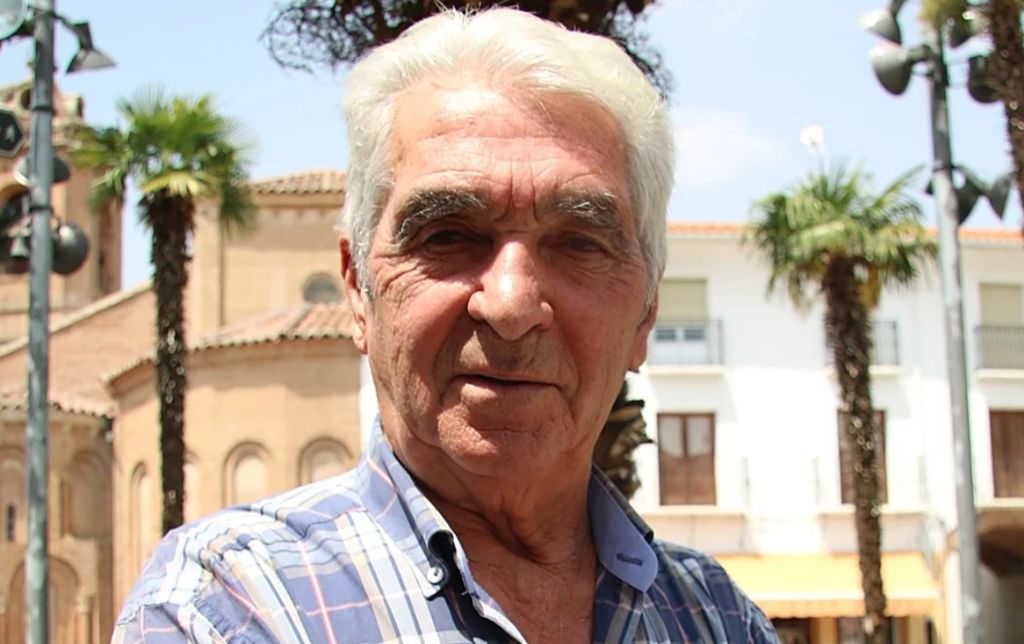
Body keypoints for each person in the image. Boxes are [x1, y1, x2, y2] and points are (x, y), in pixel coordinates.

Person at [114, 9, 778, 643]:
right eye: (449, 235)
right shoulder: (227, 606)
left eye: (579, 242)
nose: (511, 305)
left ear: (646, 312)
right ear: (358, 289)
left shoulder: (715, 616)